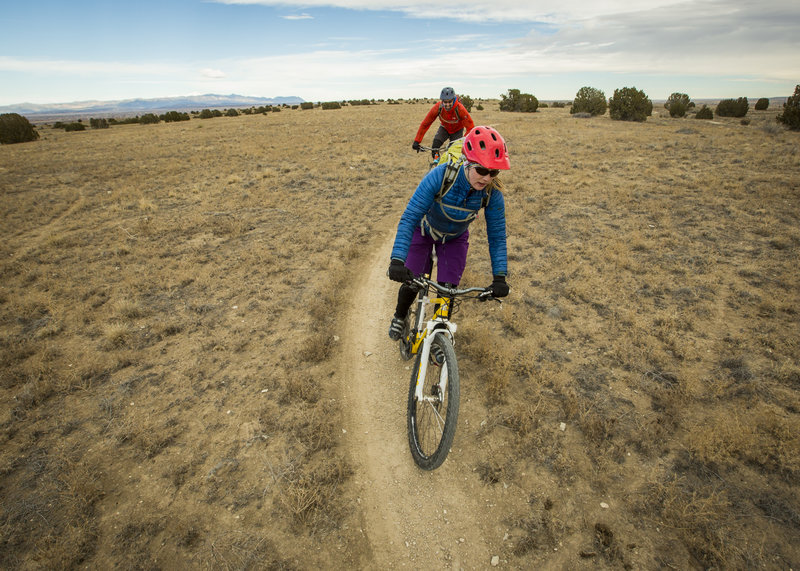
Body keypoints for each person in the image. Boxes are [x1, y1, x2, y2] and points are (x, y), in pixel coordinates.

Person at [388, 125, 511, 341]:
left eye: (494, 172)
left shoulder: (492, 193)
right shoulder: (441, 176)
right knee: (412, 280)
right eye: (481, 170)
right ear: (467, 162)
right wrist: (397, 260)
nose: (486, 178)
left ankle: (439, 335)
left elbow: (497, 236)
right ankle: (399, 315)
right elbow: (410, 217)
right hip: (424, 231)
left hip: (454, 239)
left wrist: (499, 277)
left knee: (448, 290)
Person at [412, 87, 475, 160]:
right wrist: (417, 141)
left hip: (457, 131)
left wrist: (463, 142)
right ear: (442, 101)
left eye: (449, 102)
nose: (447, 104)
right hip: (444, 128)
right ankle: (437, 165)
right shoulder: (438, 108)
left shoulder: (460, 109)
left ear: (453, 100)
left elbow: (470, 127)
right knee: (435, 147)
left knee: (453, 153)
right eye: (445, 102)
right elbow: (425, 124)